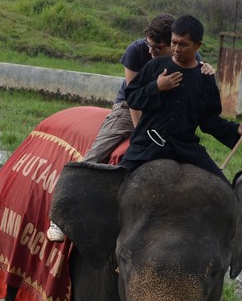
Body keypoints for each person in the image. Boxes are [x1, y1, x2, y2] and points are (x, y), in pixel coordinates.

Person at [46, 13, 213, 242]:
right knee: (96, 154)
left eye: (158, 47)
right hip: (129, 109)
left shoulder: (186, 55)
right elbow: (134, 96)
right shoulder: (136, 51)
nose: (151, 50)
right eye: (149, 45)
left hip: (164, 113)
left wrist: (207, 71)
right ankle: (61, 216)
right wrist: (140, 133)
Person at [119, 14, 242, 180]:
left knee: (223, 186)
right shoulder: (155, 66)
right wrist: (156, 87)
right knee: (117, 183)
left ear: (197, 45)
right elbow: (132, 97)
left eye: (183, 44)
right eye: (174, 43)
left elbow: (209, 120)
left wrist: (236, 129)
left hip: (184, 147)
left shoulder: (205, 78)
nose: (176, 49)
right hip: (147, 144)